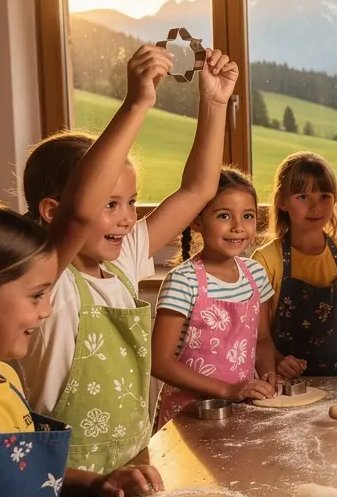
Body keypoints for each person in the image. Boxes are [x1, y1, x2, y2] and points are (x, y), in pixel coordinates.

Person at [21, 43, 238, 473]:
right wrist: (138, 103)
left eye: (131, 202)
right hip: (66, 484)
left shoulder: (121, 263)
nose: (127, 219)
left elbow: (198, 191)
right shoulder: (45, 278)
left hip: (133, 467)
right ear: (52, 212)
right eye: (110, 203)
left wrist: (214, 103)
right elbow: (81, 211)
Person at [0, 193, 177, 497]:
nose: (45, 312)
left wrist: (95, 483)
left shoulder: (1, 376)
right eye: (36, 296)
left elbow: (14, 472)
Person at [151, 167, 277, 428]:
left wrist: (268, 374)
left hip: (239, 410)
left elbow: (262, 338)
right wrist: (226, 390)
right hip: (187, 415)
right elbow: (159, 362)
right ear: (197, 221)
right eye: (224, 215)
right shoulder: (183, 282)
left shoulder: (256, 273)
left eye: (248, 216)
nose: (238, 227)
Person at [253, 152, 337, 381]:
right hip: (286, 382)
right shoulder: (265, 259)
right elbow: (259, 334)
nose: (315, 207)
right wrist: (278, 360)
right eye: (302, 196)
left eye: (324, 196)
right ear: (282, 201)